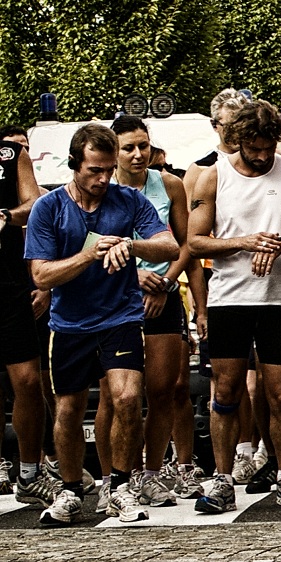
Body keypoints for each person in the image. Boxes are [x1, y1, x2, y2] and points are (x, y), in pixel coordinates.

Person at [26, 124, 179, 525]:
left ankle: (122, 487)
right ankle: (72, 489)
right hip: (70, 322)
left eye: (108, 170)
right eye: (95, 170)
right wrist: (89, 254)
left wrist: (131, 244)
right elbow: (41, 276)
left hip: (120, 316)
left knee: (128, 398)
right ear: (74, 165)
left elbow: (170, 245)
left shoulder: (127, 200)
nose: (102, 179)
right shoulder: (50, 207)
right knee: (69, 409)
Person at [188, 100, 281, 513]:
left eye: (267, 148)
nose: (261, 157)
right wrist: (245, 241)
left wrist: (277, 243)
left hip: (278, 299)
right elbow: (195, 241)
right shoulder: (212, 176)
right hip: (229, 299)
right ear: (237, 140)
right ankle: (223, 479)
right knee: (225, 392)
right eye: (253, 148)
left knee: (280, 396)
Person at [104, 117, 192, 510]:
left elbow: (186, 244)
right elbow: (96, 247)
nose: (138, 154)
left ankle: (152, 474)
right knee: (118, 395)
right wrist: (135, 276)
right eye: (128, 148)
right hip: (118, 296)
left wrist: (168, 284)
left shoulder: (168, 184)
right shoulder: (103, 191)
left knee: (163, 390)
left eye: (143, 145)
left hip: (164, 295)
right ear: (114, 152)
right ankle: (114, 480)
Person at [0, 119, 44, 505]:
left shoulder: (12, 155)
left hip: (10, 286)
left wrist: (5, 217)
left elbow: (35, 205)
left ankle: (30, 471)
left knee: (28, 381)